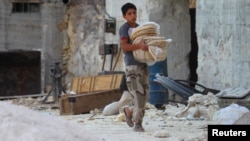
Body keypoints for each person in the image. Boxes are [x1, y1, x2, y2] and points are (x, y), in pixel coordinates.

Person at [119, 2, 150, 132]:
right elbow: (125, 47)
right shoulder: (124, 28)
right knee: (138, 96)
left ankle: (129, 111)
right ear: (124, 16)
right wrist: (139, 46)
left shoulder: (139, 28)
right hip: (132, 67)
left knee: (145, 95)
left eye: (134, 13)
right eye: (129, 14)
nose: (133, 16)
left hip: (143, 66)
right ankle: (138, 124)